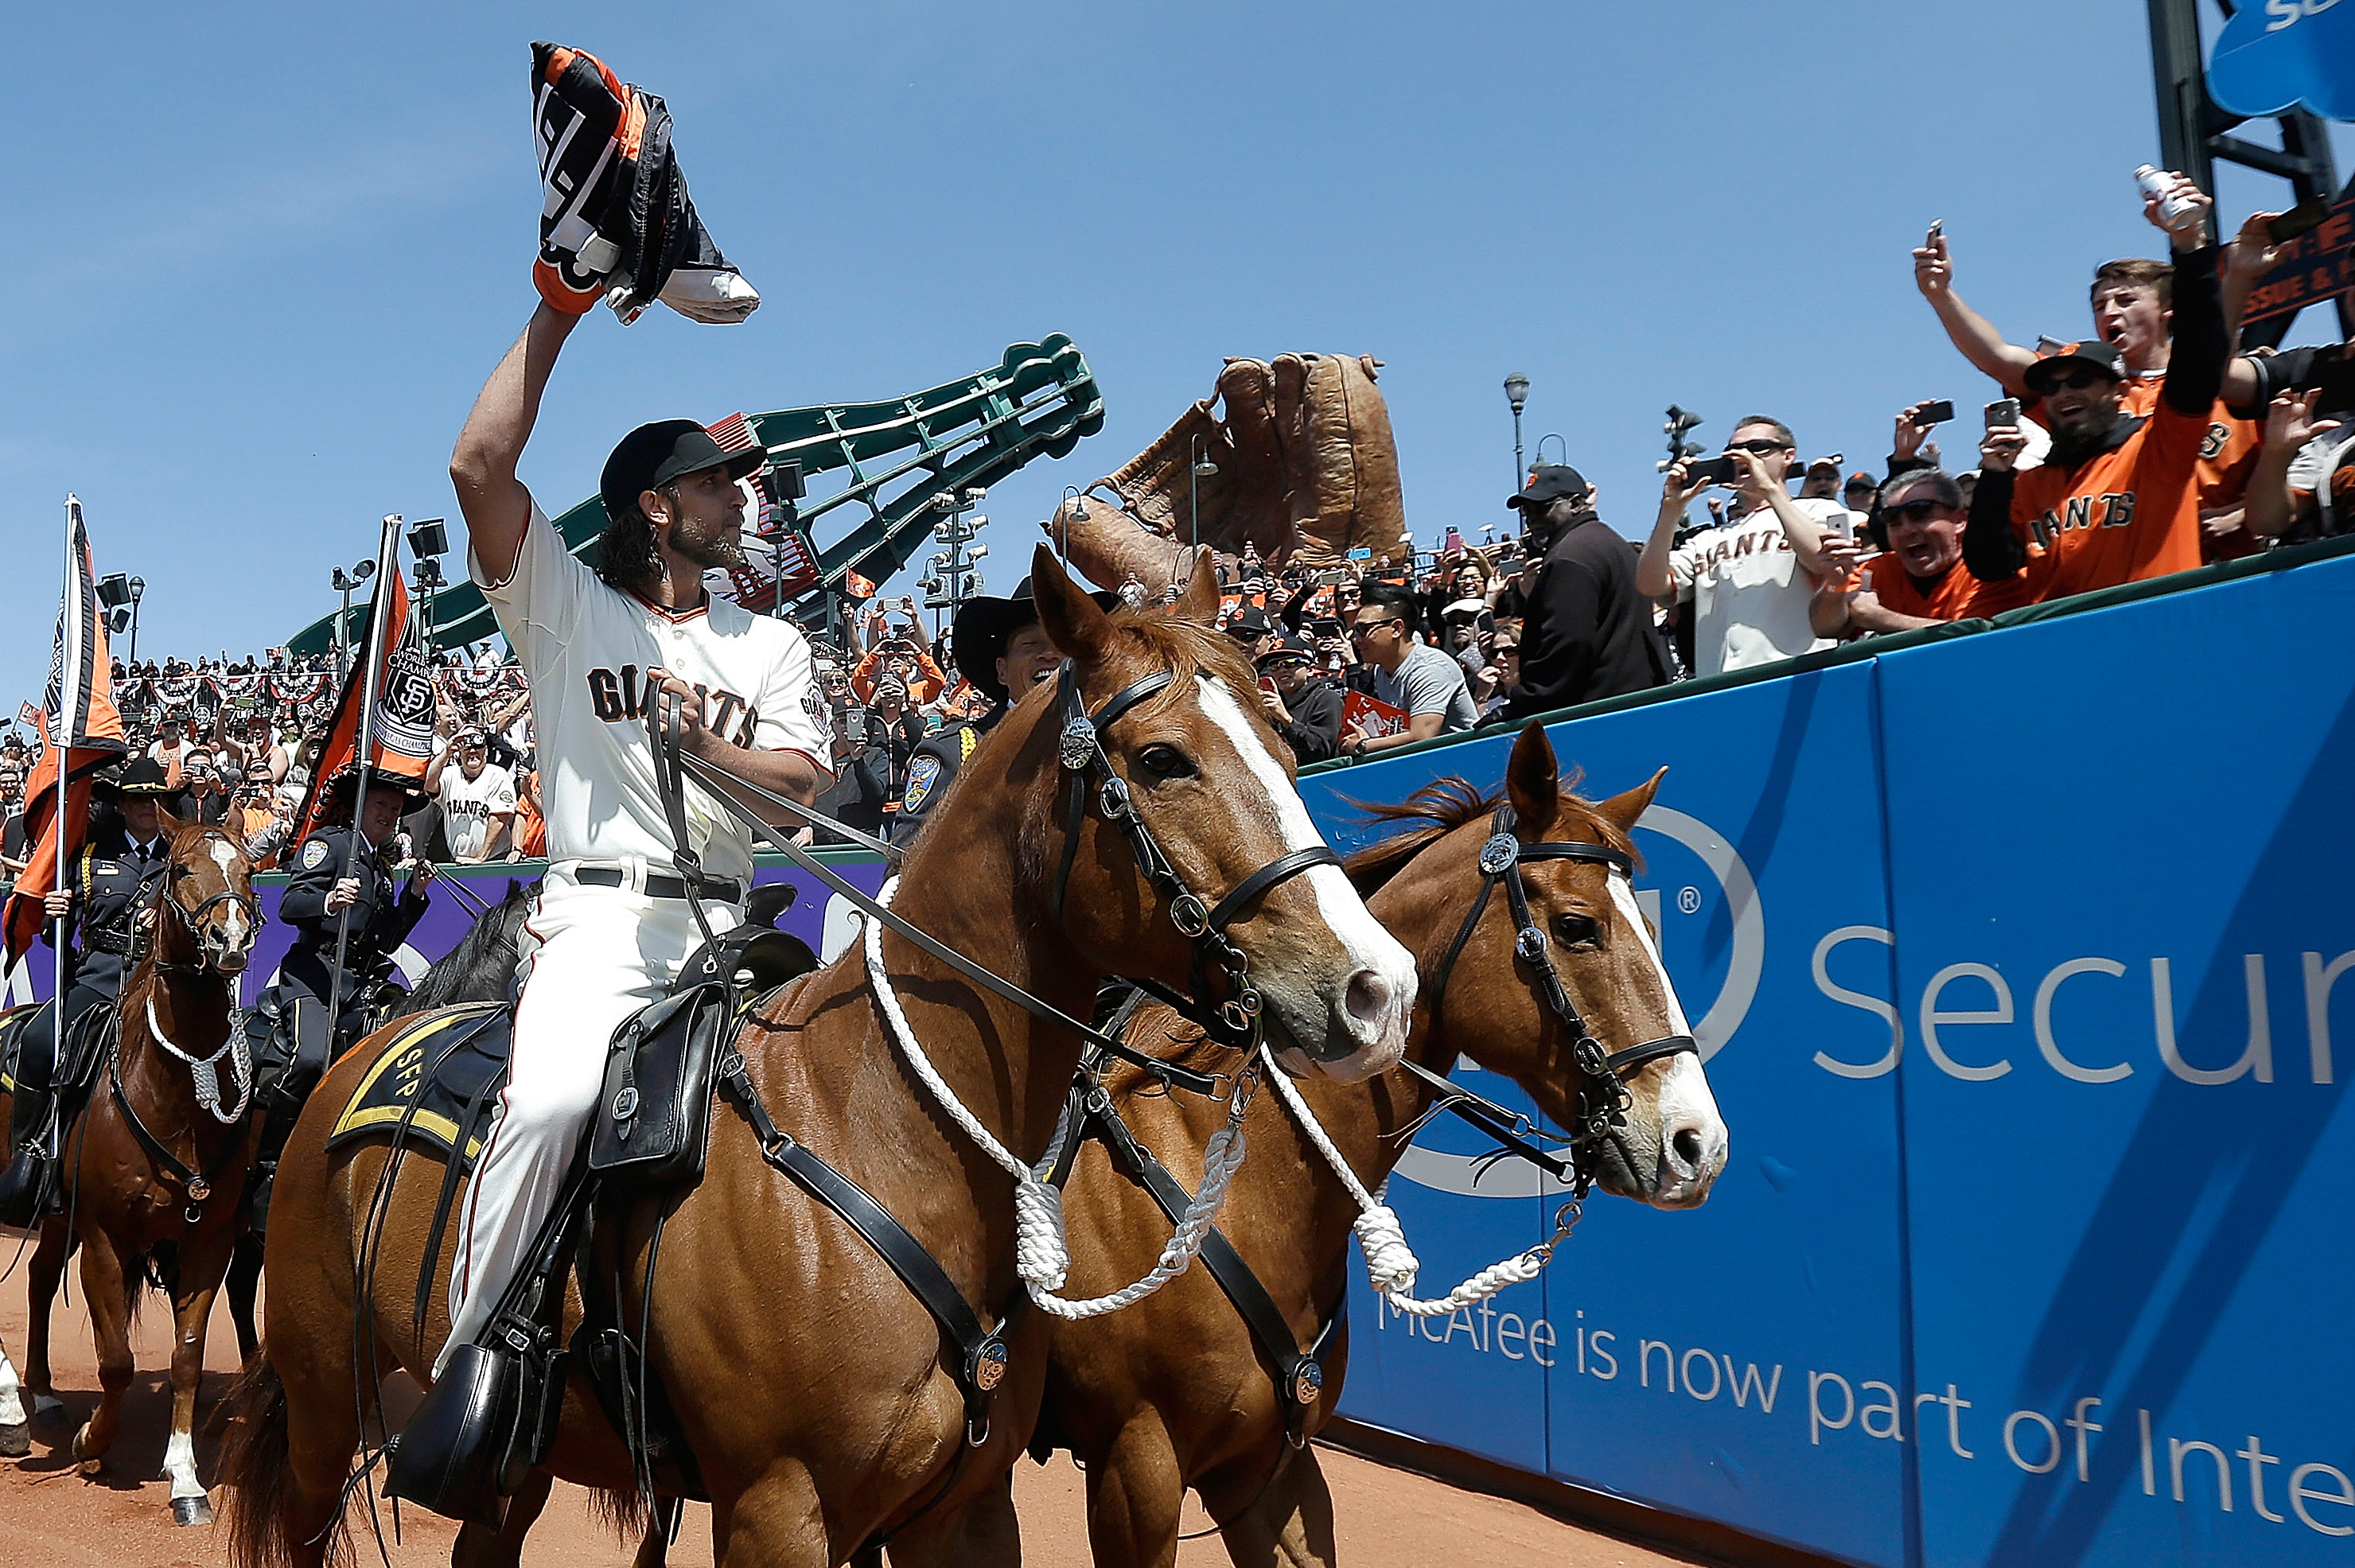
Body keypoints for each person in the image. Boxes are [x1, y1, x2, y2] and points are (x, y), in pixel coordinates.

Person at [433, 298, 828, 1379]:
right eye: (710, 481)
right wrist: (557, 314)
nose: (734, 494)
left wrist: (709, 749)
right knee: (555, 1098)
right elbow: (476, 469)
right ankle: (470, 1362)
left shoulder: (774, 641)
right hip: (604, 920)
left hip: (735, 927)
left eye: (731, 479)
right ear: (657, 509)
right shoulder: (569, 604)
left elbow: (795, 798)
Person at [1966, 174, 2225, 601]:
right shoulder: (2031, 482)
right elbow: (1990, 564)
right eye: (2052, 387)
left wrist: (2190, 246)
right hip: (2071, 651)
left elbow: (2201, 356)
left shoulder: (2157, 448)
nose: (2065, 393)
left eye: (2082, 381)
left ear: (2119, 391)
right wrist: (1995, 478)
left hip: (2160, 635)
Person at [2, 760, 182, 1215]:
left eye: (155, 798)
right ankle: (31, 1155)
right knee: (40, 1041)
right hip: (101, 976)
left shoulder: (181, 859)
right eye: (138, 798)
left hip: (160, 984)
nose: (147, 807)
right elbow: (58, 936)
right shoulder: (88, 856)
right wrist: (57, 913)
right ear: (121, 804)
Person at [892, 575, 1117, 843]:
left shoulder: (1107, 750)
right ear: (1002, 670)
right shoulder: (957, 752)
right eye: (1031, 644)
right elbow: (906, 859)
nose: (1049, 654)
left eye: (1061, 644)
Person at [1636, 417, 1850, 676]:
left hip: (1800, 676)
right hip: (1722, 686)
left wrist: (1770, 491)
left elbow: (1824, 561)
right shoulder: (1707, 539)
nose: (1743, 456)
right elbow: (1650, 585)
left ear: (1788, 456)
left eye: (1757, 447)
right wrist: (1670, 510)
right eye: (1734, 450)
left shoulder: (1818, 510)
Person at [1501, 465, 1670, 718]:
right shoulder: (1609, 542)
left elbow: (1567, 645)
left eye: (1543, 507)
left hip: (1597, 716)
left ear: (1577, 504)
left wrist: (1524, 703)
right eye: (1527, 511)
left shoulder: (1571, 555)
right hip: (1632, 707)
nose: (1532, 519)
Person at [1812, 469, 2032, 636]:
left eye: (1920, 515)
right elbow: (1824, 627)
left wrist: (1878, 617)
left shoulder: (1991, 564)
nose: (1907, 530)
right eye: (1894, 522)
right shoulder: (1878, 570)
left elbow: (1977, 636)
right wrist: (1835, 584)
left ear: (1958, 520)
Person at [1341, 578, 1478, 758]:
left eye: (1364, 629)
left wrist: (1364, 745)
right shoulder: (1381, 670)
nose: (1356, 640)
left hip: (1465, 762)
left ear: (1397, 628)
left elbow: (1422, 736)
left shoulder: (1431, 667)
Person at [429, 728, 519, 864]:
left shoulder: (497, 774)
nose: (472, 751)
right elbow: (428, 784)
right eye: (467, 748)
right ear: (459, 754)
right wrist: (446, 752)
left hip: (493, 860)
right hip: (459, 860)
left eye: (478, 747)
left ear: (486, 752)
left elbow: (500, 819)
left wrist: (480, 858)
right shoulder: (450, 775)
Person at [1255, 633, 1345, 763]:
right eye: (1274, 665)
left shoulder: (1326, 699)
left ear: (1310, 669)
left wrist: (1287, 720)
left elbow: (1320, 751)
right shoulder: (1267, 704)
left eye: (1291, 663)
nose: (1282, 670)